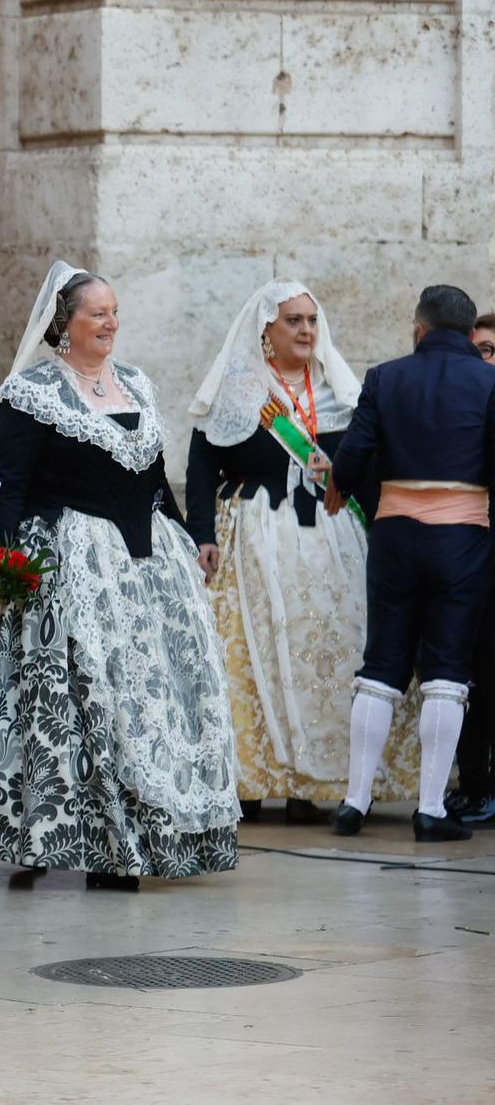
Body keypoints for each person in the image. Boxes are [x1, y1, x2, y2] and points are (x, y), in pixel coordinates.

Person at [0, 263, 239, 890]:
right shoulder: (33, 393)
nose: (111, 322)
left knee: (145, 705)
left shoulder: (137, 385)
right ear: (65, 324)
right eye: (98, 313)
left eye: (115, 311)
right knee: (68, 706)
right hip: (63, 563)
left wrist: (185, 541)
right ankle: (51, 836)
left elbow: (152, 479)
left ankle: (130, 844)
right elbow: (8, 492)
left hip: (146, 569)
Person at [187, 282, 414, 825]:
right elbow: (200, 466)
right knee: (247, 658)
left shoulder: (337, 387)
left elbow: (366, 464)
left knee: (328, 650)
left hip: (329, 539)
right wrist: (202, 534)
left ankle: (310, 784)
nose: (306, 330)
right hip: (251, 537)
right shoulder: (238, 390)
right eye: (292, 320)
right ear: (265, 329)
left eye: (311, 320)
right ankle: (246, 780)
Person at [330, 284, 495, 843]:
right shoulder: (491, 381)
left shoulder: (384, 376)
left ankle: (354, 803)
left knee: (381, 666)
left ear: (419, 329)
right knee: (448, 672)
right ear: (470, 334)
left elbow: (353, 453)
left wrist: (343, 486)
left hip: (395, 531)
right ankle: (430, 810)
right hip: (463, 535)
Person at [454, 314, 495, 825]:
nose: (490, 361)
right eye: (482, 351)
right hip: (473, 559)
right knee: (477, 676)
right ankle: (478, 787)